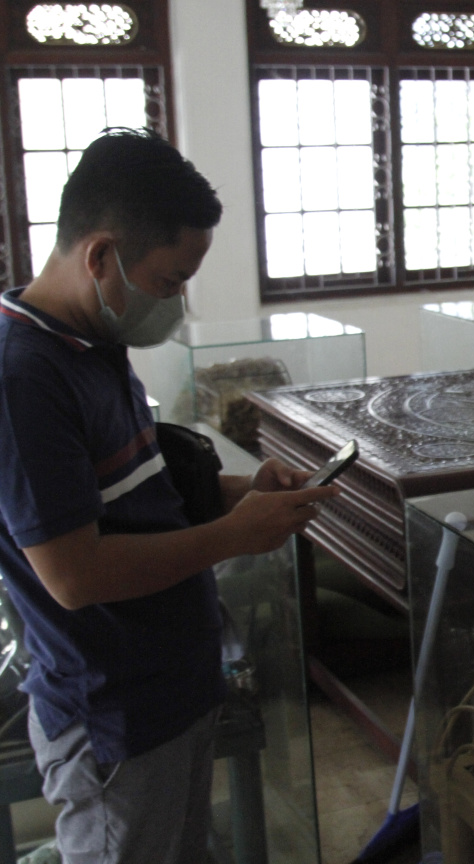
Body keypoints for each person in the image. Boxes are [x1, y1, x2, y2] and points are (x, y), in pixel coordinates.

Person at [0, 128, 339, 863]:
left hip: (171, 691)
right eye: (167, 280)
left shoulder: (95, 343)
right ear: (100, 257)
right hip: (113, 717)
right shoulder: (25, 377)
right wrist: (236, 536)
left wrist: (239, 492)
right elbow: (73, 573)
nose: (177, 301)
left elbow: (142, 491)